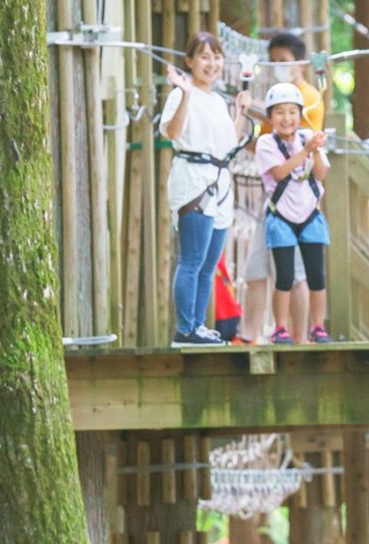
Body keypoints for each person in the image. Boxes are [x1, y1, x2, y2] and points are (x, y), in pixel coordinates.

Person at [162, 31, 256, 347]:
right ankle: (185, 328)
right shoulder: (180, 95)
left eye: (216, 57)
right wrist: (185, 94)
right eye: (204, 56)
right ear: (189, 61)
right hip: (193, 180)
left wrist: (241, 113)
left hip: (219, 181)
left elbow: (229, 144)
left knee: (208, 266)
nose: (211, 63)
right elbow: (173, 132)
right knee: (192, 259)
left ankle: (198, 326)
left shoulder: (217, 101)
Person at [255, 82, 333, 344]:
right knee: (285, 276)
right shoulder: (266, 143)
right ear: (270, 117)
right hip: (281, 216)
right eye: (279, 112)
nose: (286, 118)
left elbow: (320, 174)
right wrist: (306, 151)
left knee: (316, 275)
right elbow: (279, 173)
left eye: (292, 112)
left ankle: (318, 326)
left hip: (310, 214)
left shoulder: (307, 138)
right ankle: (280, 327)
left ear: (300, 115)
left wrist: (316, 150)